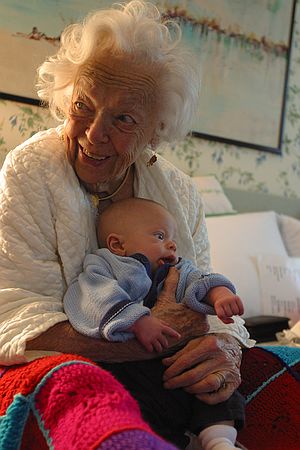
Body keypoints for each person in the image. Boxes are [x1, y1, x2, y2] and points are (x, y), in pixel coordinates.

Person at [0, 1, 253, 447]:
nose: (94, 134)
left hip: (164, 368)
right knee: (76, 384)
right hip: (61, 364)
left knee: (277, 367)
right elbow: (14, 316)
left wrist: (223, 348)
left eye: (123, 119)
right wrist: (144, 337)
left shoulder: (179, 191)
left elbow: (207, 302)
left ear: (156, 130)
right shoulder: (30, 171)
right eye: (84, 105)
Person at [64, 197, 245, 449]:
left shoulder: (177, 270)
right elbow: (93, 295)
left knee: (216, 386)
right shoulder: (107, 265)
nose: (171, 245)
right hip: (130, 366)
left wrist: (221, 295)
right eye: (159, 236)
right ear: (117, 244)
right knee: (124, 396)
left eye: (172, 239)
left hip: (177, 361)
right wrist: (137, 320)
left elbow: (202, 279)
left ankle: (219, 441)